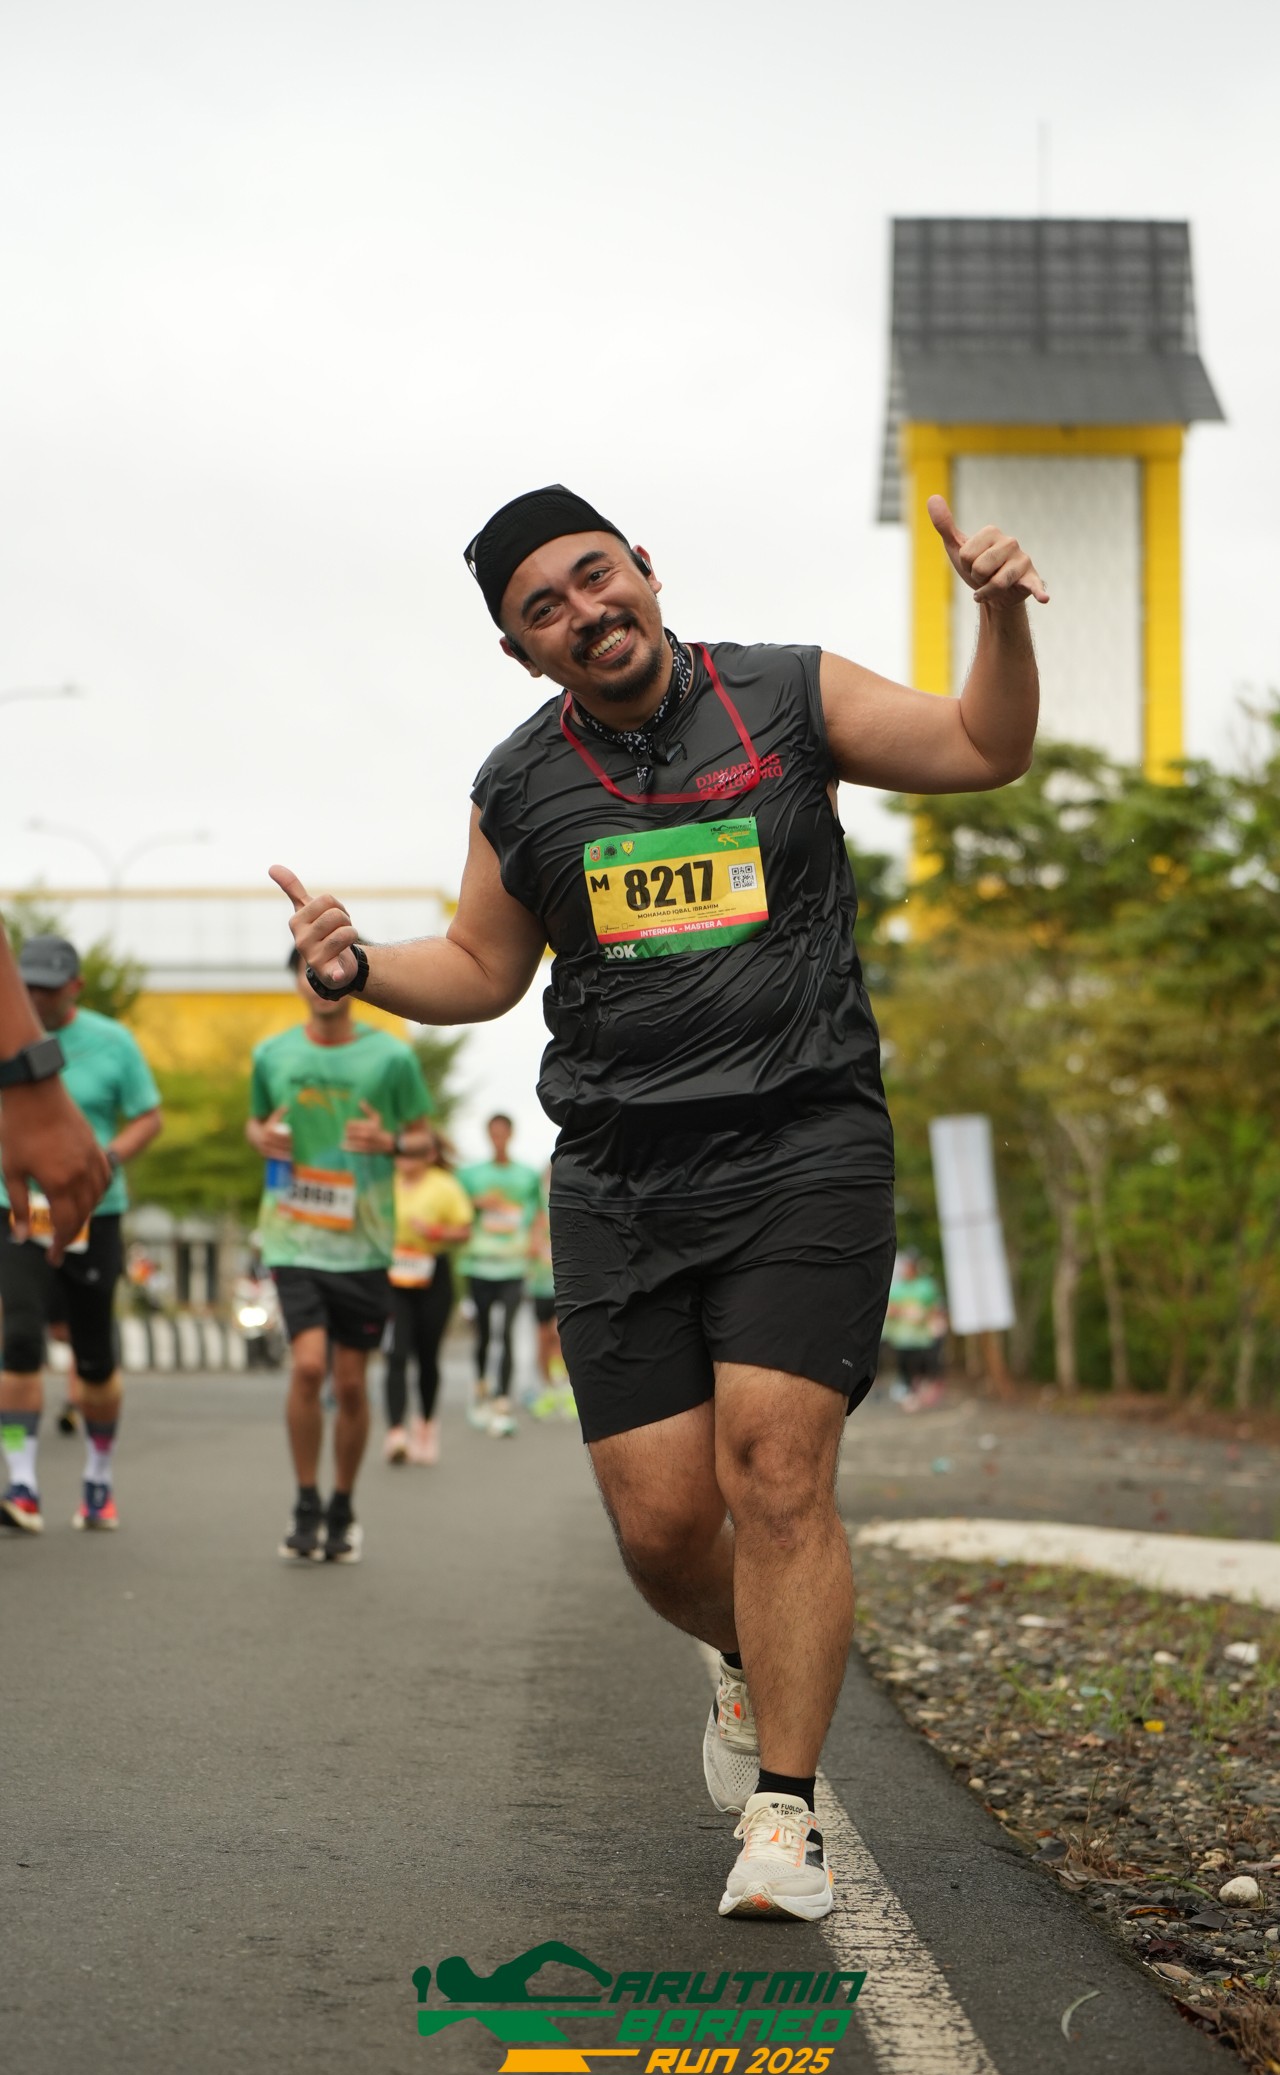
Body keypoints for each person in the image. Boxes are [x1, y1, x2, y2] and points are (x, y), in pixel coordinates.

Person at [272, 480, 1046, 1917]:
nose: (584, 611)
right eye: (543, 610)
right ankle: (748, 1655)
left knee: (777, 1470)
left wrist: (998, 618)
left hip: (804, 1145)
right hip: (621, 1177)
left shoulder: (788, 695)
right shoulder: (520, 785)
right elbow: (482, 968)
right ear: (521, 653)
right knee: (663, 1528)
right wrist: (358, 967)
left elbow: (981, 745)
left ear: (644, 565)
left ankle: (786, 1816)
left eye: (594, 574)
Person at [245, 950, 433, 1564]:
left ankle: (342, 1506)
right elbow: (255, 1124)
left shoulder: (392, 1058)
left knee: (350, 1384)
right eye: (309, 971)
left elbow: (424, 1141)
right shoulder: (272, 1055)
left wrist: (390, 1141)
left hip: (364, 1242)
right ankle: (305, 1501)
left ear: (353, 978)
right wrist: (264, 1138)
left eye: (333, 971)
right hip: (292, 1234)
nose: (321, 982)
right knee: (306, 1369)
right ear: (295, 982)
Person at [0, 936, 162, 1534]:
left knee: (94, 1359)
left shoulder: (112, 1041)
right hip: (19, 1210)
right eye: (27, 985)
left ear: (75, 987)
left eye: (48, 986)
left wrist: (107, 1158)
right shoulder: (6, 1037)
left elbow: (149, 1116)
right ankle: (21, 1482)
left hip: (95, 1210)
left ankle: (98, 1476)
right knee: (19, 1342)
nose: (37, 996)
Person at [384, 1130, 473, 1465]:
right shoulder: (387, 1183)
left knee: (426, 1356)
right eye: (400, 1153)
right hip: (394, 1275)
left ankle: (425, 1426)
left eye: (412, 1154)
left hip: (432, 1273)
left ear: (428, 1156)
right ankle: (396, 1432)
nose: (404, 1160)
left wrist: (435, 1231)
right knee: (395, 1353)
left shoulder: (444, 1186)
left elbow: (464, 1230)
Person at [456, 1114, 543, 1438]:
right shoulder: (471, 1175)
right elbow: (455, 1207)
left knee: (505, 1331)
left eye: (503, 1134)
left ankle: (503, 1396)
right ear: (487, 1135)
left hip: (513, 1265)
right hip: (479, 1264)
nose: (498, 1139)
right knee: (482, 1333)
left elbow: (537, 1213)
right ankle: (481, 1385)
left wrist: (534, 1242)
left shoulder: (527, 1175)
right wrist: (478, 1202)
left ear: (510, 1135)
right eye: (493, 1134)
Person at [526, 1164, 574, 1419]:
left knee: (560, 1335)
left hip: (565, 1284)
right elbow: (529, 1246)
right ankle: (547, 1388)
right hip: (540, 1285)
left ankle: (565, 1387)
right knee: (543, 1338)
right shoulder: (536, 1212)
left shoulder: (572, 1206)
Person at [883, 1250, 949, 1411]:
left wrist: (924, 1314)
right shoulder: (897, 1287)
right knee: (904, 1368)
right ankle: (909, 1395)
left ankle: (920, 1393)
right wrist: (904, 1312)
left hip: (922, 1338)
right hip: (901, 1338)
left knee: (922, 1367)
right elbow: (888, 1308)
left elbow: (937, 1308)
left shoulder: (926, 1286)